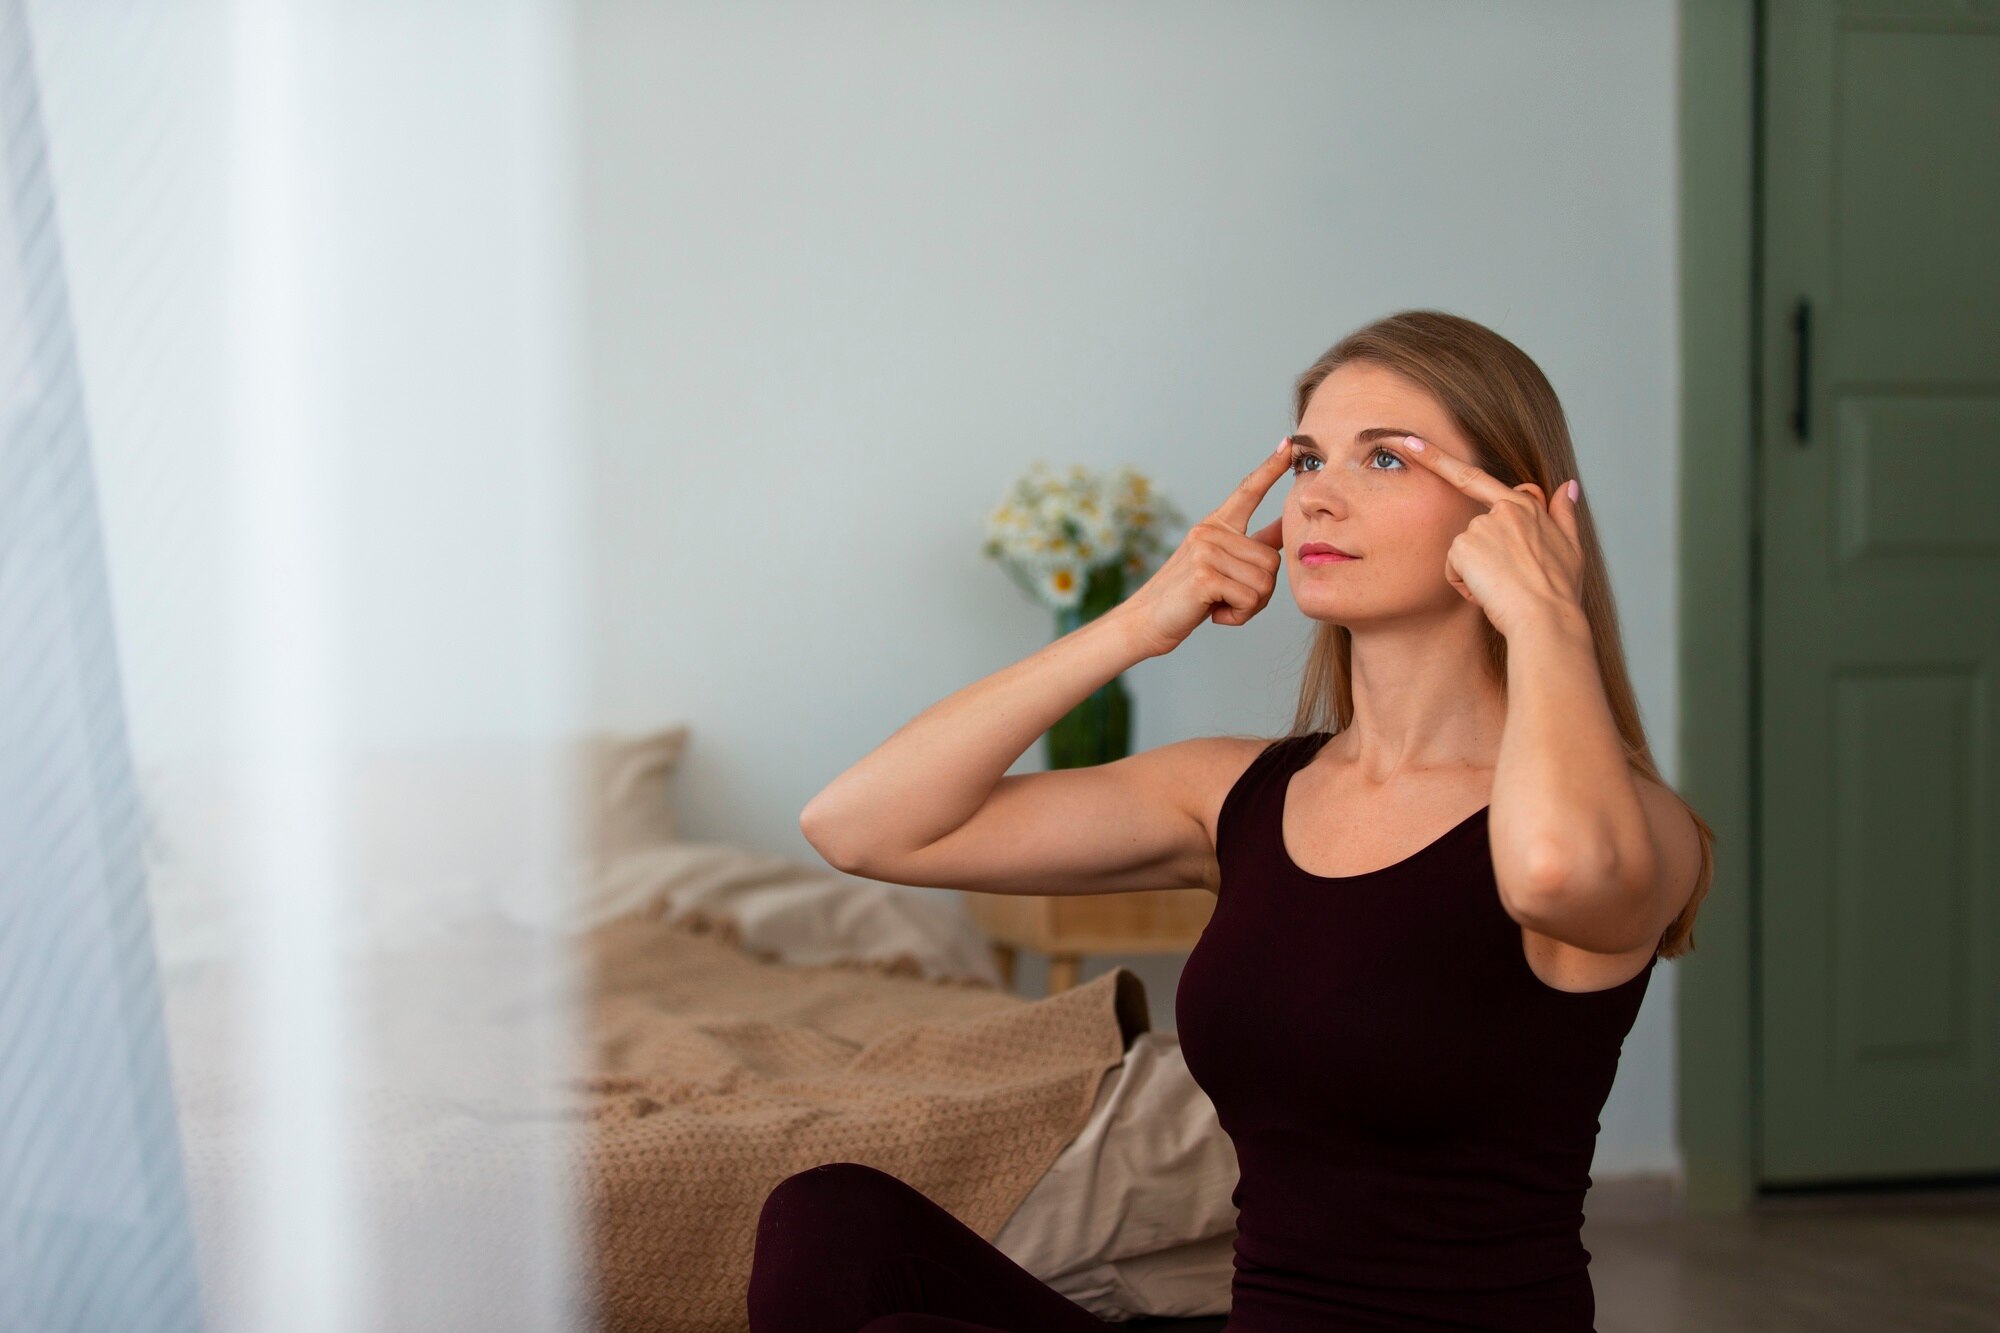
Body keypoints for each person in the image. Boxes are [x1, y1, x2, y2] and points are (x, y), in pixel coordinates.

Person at [754, 309, 1716, 1332]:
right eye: (1307, 458)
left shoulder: (1632, 827)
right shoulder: (1239, 793)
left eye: (1383, 459)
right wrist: (1136, 620)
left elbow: (1551, 873)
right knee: (830, 1222)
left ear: (1508, 519)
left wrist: (1543, 613)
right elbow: (857, 825)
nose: (1318, 498)